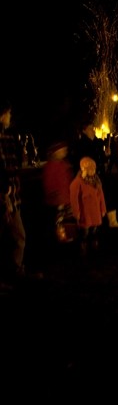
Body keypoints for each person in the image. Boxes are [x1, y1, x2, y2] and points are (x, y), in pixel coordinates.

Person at [71, 121, 118, 228]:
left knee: (109, 195)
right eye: (90, 127)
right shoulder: (81, 144)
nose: (93, 129)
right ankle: (90, 225)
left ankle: (111, 221)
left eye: (93, 127)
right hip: (89, 177)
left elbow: (102, 158)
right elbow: (82, 162)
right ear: (84, 130)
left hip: (101, 175)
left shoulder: (97, 142)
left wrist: (106, 155)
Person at [0, 100, 28, 283]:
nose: (10, 117)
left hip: (11, 196)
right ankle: (12, 272)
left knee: (16, 236)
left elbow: (14, 164)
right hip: (5, 198)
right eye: (8, 113)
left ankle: (13, 271)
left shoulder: (7, 138)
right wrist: (5, 190)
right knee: (18, 236)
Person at [69, 157, 107, 258]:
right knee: (84, 232)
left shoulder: (96, 181)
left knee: (94, 230)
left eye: (93, 169)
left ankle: (94, 247)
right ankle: (83, 249)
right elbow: (74, 198)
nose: (93, 171)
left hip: (95, 211)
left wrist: (103, 208)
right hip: (85, 212)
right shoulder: (77, 183)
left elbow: (101, 195)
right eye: (90, 169)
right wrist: (76, 212)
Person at [41, 141, 74, 244]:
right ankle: (59, 240)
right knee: (58, 221)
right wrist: (55, 196)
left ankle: (67, 237)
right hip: (57, 200)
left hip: (65, 198)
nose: (65, 152)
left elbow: (68, 180)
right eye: (62, 150)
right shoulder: (51, 166)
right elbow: (49, 183)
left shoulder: (64, 164)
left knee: (66, 220)